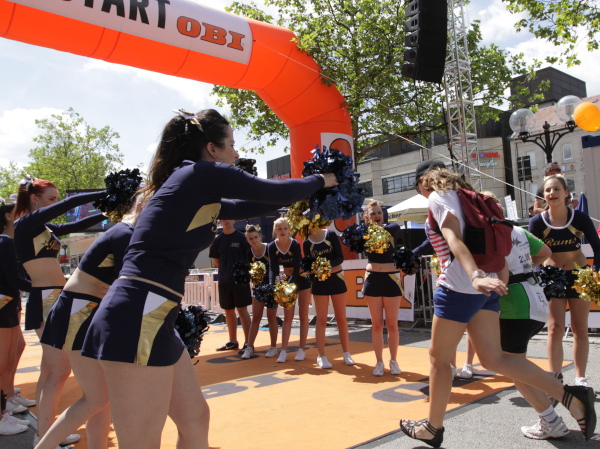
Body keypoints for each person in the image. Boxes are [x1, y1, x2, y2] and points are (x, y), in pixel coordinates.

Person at [80, 109, 338, 449]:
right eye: (231, 144)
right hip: (139, 312)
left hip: (157, 313)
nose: (237, 152)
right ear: (212, 149)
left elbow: (248, 206)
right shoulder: (200, 173)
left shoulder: (195, 186)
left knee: (195, 417)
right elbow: (275, 193)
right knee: (142, 440)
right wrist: (324, 179)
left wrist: (309, 192)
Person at [400, 160, 595, 447]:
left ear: (424, 182)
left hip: (460, 285)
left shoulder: (439, 198)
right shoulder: (473, 199)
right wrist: (490, 280)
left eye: (419, 187)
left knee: (439, 359)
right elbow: (499, 249)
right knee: (496, 359)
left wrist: (475, 275)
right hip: (487, 286)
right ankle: (570, 396)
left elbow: (453, 238)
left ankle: (433, 427)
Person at [35, 193, 147, 449]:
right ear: (140, 206)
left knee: (101, 398)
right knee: (96, 397)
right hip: (79, 310)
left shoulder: (126, 232)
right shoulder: (125, 234)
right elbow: (129, 284)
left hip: (85, 309)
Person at [14, 179, 107, 446]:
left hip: (54, 296)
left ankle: (44, 432)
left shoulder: (43, 227)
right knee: (58, 371)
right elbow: (71, 204)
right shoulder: (26, 224)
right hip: (46, 298)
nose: (55, 204)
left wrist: (109, 210)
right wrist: (107, 192)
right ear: (34, 199)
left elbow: (75, 226)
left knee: (51, 371)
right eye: (51, 199)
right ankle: (46, 437)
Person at [529, 174, 600, 388]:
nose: (552, 193)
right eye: (548, 190)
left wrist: (594, 271)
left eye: (556, 189)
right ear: (544, 195)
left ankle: (580, 378)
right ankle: (555, 377)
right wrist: (539, 272)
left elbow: (597, 247)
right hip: (552, 276)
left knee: (580, 328)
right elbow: (532, 254)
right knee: (555, 328)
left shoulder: (580, 218)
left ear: (566, 193)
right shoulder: (537, 222)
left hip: (580, 275)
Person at [0, 199, 32, 436]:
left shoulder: (9, 241)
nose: (22, 215)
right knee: (3, 364)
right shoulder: (4, 242)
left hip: (9, 306)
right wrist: (45, 286)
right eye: (17, 212)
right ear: (8, 216)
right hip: (3, 307)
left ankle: (4, 409)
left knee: (8, 362)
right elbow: (14, 279)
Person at [303, 226, 354, 368]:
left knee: (341, 318)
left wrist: (324, 266)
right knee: (322, 319)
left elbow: (340, 258)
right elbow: (309, 265)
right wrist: (314, 269)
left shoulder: (330, 234)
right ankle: (321, 356)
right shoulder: (307, 242)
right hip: (319, 283)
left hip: (336, 279)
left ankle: (346, 353)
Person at [363, 200, 402, 376]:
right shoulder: (364, 233)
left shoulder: (390, 229)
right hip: (373, 280)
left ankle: (394, 361)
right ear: (367, 217)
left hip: (391, 279)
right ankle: (379, 362)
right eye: (373, 213)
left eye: (379, 213)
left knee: (392, 324)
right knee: (377, 324)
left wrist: (376, 228)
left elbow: (395, 227)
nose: (377, 216)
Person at [267, 217, 312, 363]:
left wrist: (288, 285)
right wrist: (273, 284)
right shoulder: (272, 246)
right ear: (275, 230)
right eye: (279, 229)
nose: (282, 231)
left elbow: (297, 266)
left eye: (285, 228)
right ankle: (283, 351)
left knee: (303, 315)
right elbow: (273, 268)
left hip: (301, 279)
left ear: (289, 230)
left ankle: (301, 349)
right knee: (288, 317)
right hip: (288, 280)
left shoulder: (294, 244)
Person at [209, 219, 252, 353]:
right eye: (224, 219)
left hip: (240, 281)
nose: (226, 221)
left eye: (229, 218)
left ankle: (248, 343)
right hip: (224, 280)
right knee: (228, 311)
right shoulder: (218, 240)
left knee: (242, 310)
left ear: (234, 220)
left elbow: (250, 257)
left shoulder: (242, 237)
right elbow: (217, 261)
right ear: (220, 221)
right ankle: (232, 341)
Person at [241, 224, 279, 359]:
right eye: (250, 238)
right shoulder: (249, 252)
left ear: (260, 236)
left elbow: (275, 268)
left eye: (255, 237)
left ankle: (273, 347)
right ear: (247, 240)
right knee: (256, 317)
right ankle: (249, 347)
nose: (254, 241)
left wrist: (272, 284)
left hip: (272, 286)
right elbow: (250, 271)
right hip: (258, 288)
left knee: (271, 317)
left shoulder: (270, 248)